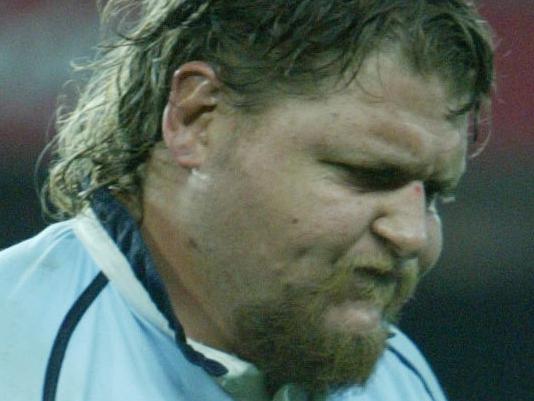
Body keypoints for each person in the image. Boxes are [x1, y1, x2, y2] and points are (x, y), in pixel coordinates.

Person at [0, 1, 494, 400]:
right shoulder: (15, 349)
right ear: (197, 119)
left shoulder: (401, 382)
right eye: (365, 174)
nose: (413, 236)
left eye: (433, 195)